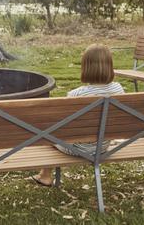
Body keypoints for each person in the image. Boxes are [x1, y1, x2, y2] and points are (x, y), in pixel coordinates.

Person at [32, 44, 125, 187]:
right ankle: (45, 174)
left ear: (85, 68)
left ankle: (45, 175)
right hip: (102, 147)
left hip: (77, 149)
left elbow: (64, 126)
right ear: (109, 66)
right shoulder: (118, 89)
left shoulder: (77, 94)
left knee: (45, 135)